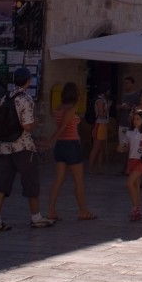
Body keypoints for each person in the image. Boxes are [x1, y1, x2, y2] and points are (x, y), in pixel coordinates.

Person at [0, 67, 55, 232]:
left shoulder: (6, 97)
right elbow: (26, 126)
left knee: (3, 183)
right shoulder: (26, 99)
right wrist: (36, 122)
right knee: (31, 181)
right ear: (28, 81)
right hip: (22, 146)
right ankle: (36, 217)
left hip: (5, 146)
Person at [45, 82, 95, 222]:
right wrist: (49, 141)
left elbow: (60, 127)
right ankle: (83, 211)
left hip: (60, 146)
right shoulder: (71, 109)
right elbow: (63, 127)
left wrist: (52, 141)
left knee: (59, 179)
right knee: (78, 181)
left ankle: (51, 210)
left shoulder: (58, 108)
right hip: (71, 145)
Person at [120, 110, 142, 222]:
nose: (135, 121)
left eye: (138, 119)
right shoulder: (129, 132)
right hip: (132, 160)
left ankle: (135, 208)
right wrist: (122, 148)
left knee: (129, 183)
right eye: (134, 119)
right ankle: (138, 209)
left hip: (141, 161)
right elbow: (125, 145)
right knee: (136, 185)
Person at [117, 76, 139, 175]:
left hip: (131, 124)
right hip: (122, 122)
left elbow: (137, 108)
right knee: (122, 146)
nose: (126, 85)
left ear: (132, 84)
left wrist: (129, 107)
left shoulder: (136, 96)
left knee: (131, 147)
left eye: (127, 83)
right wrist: (120, 107)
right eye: (124, 83)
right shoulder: (122, 95)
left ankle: (129, 168)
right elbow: (117, 106)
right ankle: (123, 167)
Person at [87, 85, 110, 175]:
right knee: (96, 147)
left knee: (101, 148)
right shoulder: (100, 101)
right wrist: (107, 108)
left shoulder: (104, 100)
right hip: (99, 125)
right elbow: (101, 114)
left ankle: (99, 168)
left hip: (104, 125)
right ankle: (90, 168)